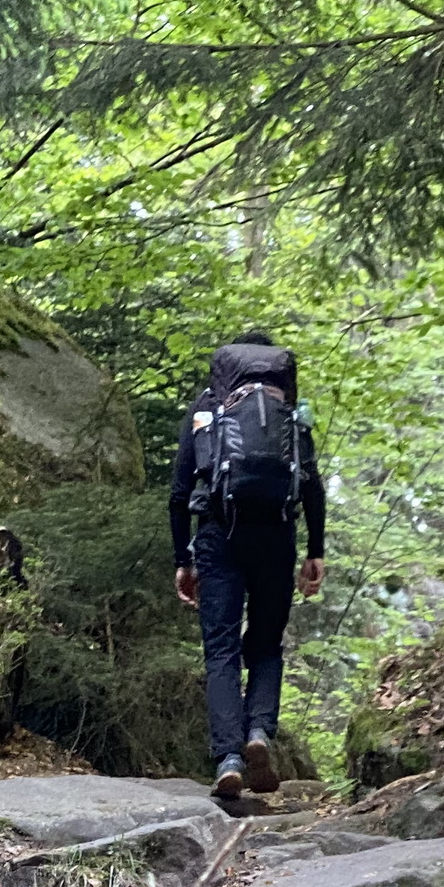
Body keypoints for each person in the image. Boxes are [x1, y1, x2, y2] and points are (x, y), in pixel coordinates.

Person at [171, 330, 325, 799]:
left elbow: (179, 493)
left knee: (220, 649)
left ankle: (229, 759)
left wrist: (183, 560)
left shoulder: (207, 409)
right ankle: (259, 732)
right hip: (277, 536)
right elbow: (312, 486)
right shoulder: (290, 414)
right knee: (266, 644)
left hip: (219, 536)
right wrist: (315, 551)